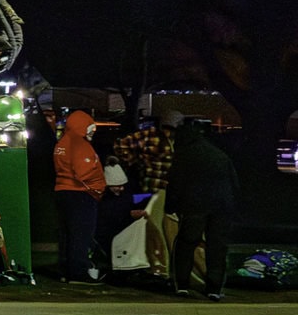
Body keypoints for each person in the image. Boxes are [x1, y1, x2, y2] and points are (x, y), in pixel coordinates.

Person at [166, 118, 239, 300]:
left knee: (187, 242)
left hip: (195, 205)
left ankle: (182, 284)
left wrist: (171, 206)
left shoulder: (184, 154)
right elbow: (234, 184)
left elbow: (175, 183)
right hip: (222, 206)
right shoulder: (219, 155)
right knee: (217, 247)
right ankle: (214, 288)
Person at [114, 113, 177, 277]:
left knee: (159, 228)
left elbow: (121, 146)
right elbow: (121, 146)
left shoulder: (151, 136)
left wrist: (136, 162)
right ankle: (161, 267)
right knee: (156, 228)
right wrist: (137, 162)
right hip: (157, 190)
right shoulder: (154, 137)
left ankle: (161, 265)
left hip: (157, 189)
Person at [52, 110, 107, 283]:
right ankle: (79, 272)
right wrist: (97, 186)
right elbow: (84, 171)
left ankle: (66, 270)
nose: (92, 132)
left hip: (63, 191)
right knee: (81, 234)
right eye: (90, 128)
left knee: (67, 234)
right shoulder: (79, 144)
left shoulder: (63, 142)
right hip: (80, 194)